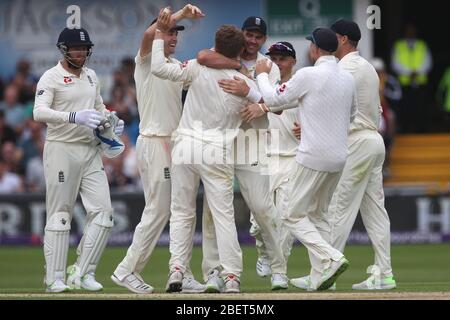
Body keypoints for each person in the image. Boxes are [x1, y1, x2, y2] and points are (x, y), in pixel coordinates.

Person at [152, 14, 261, 293]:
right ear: (239, 50)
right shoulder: (243, 83)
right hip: (216, 150)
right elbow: (269, 101)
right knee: (223, 216)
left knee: (181, 213)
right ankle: (232, 277)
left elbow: (158, 68)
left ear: (215, 45)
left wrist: (158, 35)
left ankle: (176, 270)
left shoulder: (197, 67)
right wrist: (247, 81)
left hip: (185, 146)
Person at [244, 27, 355, 291]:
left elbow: (273, 99)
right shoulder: (347, 78)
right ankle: (320, 278)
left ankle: (331, 257)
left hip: (312, 156)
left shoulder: (308, 74)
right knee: (318, 215)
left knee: (291, 214)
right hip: (339, 157)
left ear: (315, 49)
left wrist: (261, 75)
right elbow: (351, 116)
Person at [290, 20, 396, 291]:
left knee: (335, 209)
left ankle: (325, 273)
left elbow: (323, 100)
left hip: (356, 142)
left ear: (344, 39)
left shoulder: (344, 68)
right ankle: (384, 273)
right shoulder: (368, 67)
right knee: (375, 212)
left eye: (333, 37)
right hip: (373, 141)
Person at [111, 4, 206, 294]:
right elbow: (147, 35)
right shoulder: (145, 61)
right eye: (168, 33)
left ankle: (182, 271)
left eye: (176, 33)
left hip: (176, 143)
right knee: (159, 210)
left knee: (182, 210)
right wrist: (173, 18)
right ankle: (127, 270)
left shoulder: (175, 66)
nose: (173, 37)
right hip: (153, 141)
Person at [197, 16, 288, 291]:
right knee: (213, 210)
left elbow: (279, 104)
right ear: (242, 33)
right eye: (249, 34)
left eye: (258, 37)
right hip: (220, 140)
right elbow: (202, 57)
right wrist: (240, 69)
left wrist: (258, 102)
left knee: (262, 206)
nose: (252, 40)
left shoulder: (268, 66)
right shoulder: (221, 56)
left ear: (264, 40)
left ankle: (278, 269)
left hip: (252, 141)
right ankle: (213, 272)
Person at [33, 27, 125, 293]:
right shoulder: (51, 77)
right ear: (64, 50)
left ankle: (82, 272)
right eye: (76, 48)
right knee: (60, 215)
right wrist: (73, 117)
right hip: (61, 148)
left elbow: (98, 108)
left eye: (84, 49)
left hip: (90, 149)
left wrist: (110, 121)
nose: (81, 53)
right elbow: (39, 112)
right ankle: (54, 278)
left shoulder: (92, 76)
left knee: (104, 214)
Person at [264, 41, 300, 264]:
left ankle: (280, 269)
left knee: (284, 217)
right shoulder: (266, 85)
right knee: (259, 219)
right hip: (266, 158)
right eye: (274, 59)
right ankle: (264, 255)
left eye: (282, 59)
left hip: (293, 158)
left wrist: (310, 128)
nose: (278, 63)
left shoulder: (301, 85)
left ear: (293, 62)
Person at [391, 23, 432, 133]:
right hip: (404, 84)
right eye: (408, 30)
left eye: (412, 30)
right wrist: (409, 72)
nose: (410, 32)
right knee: (405, 109)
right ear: (405, 32)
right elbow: (395, 63)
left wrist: (417, 72)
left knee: (421, 108)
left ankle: (421, 131)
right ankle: (405, 131)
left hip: (420, 83)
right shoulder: (399, 45)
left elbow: (428, 62)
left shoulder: (422, 45)